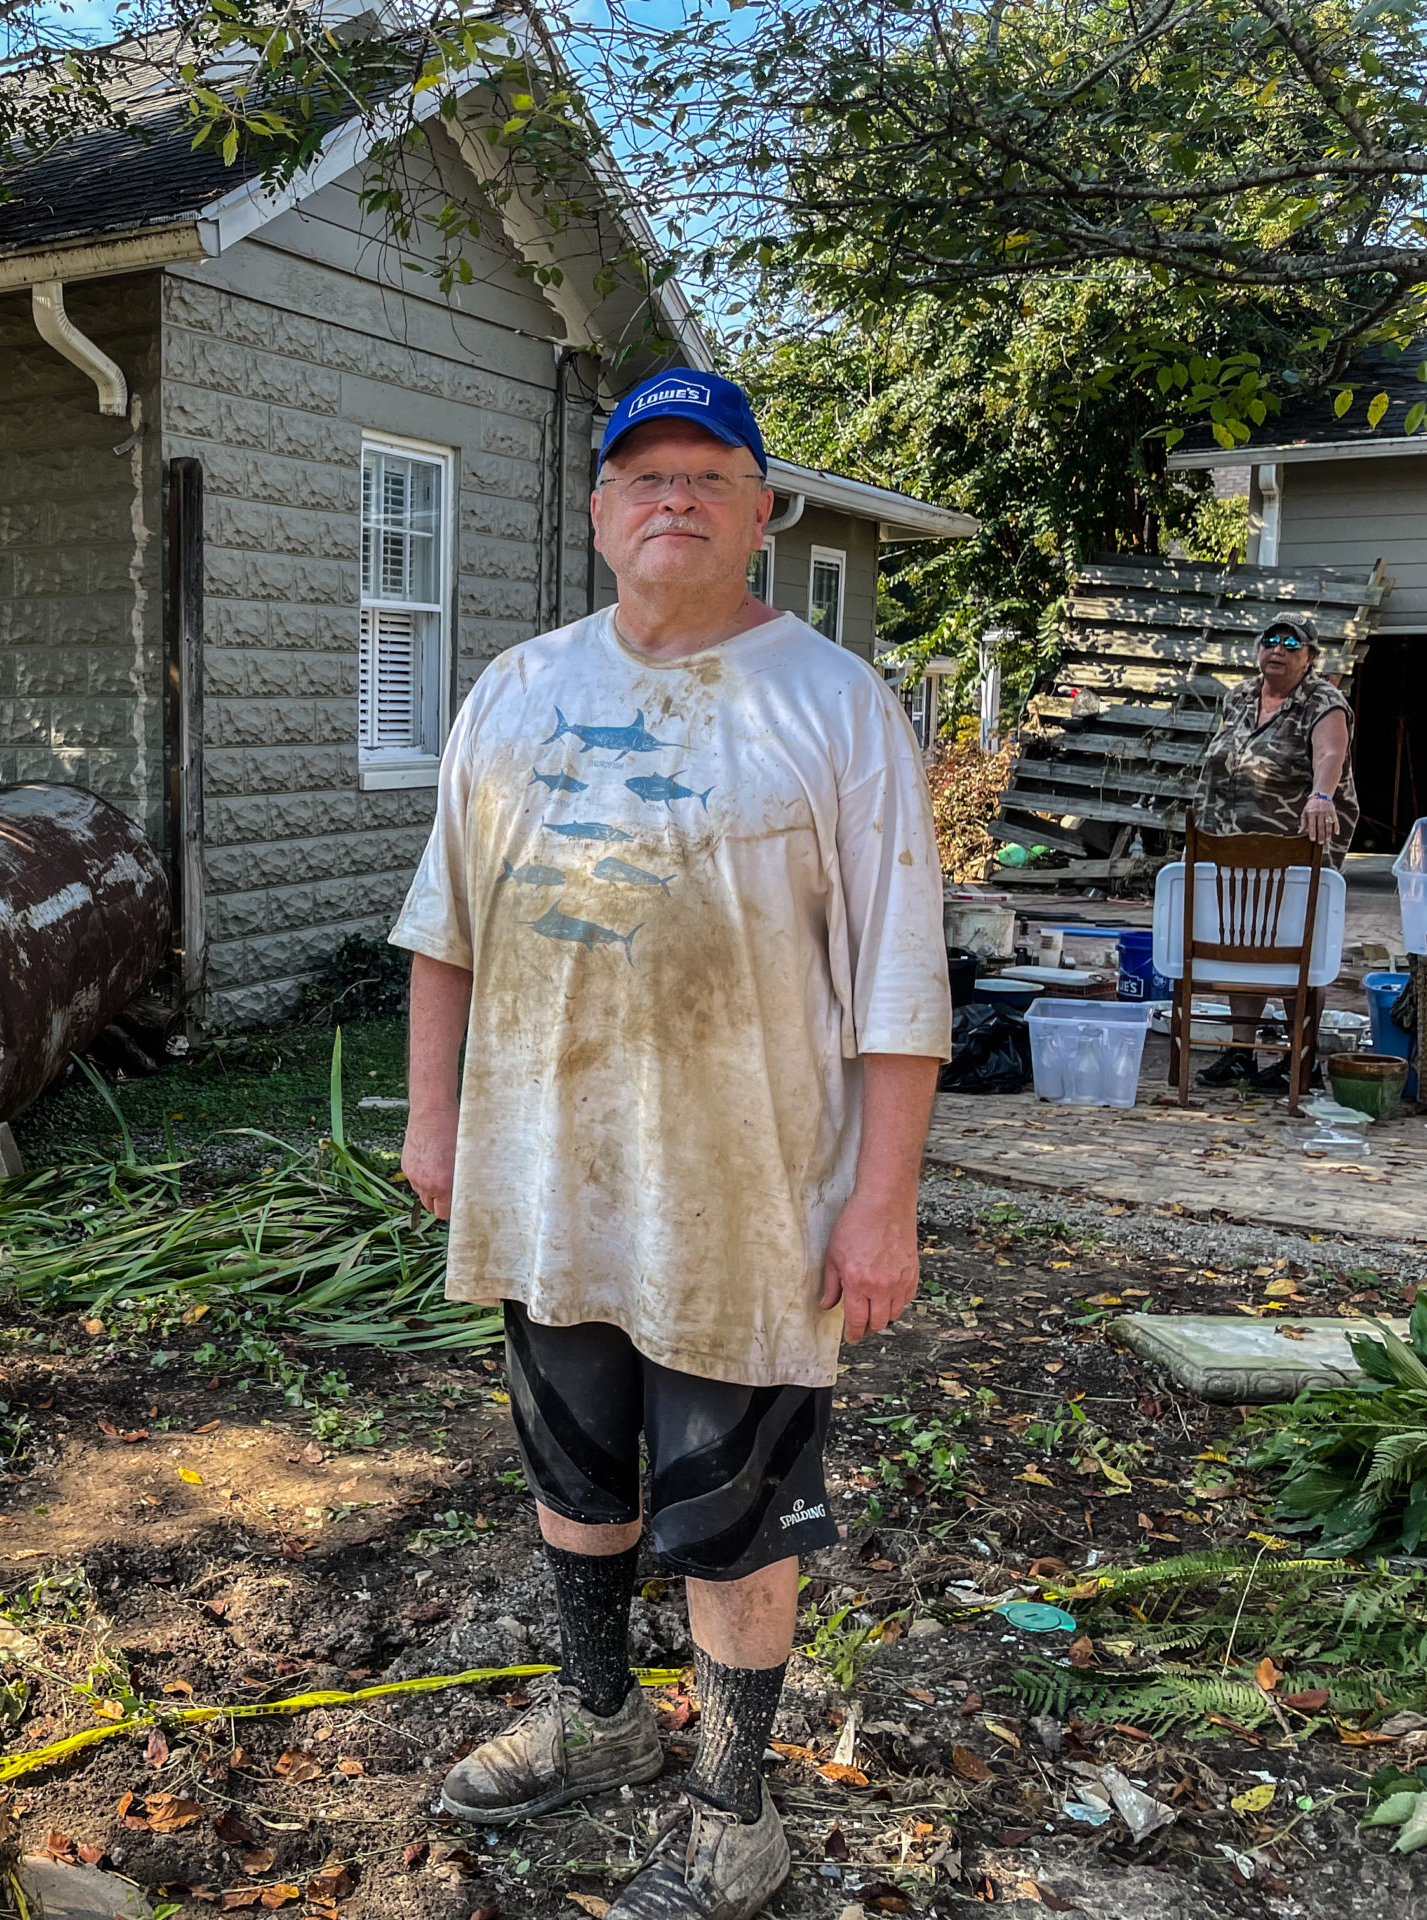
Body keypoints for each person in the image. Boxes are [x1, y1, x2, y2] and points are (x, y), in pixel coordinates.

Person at [388, 368, 950, 1920]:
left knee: (728, 1508)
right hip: (546, 1174)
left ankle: (735, 1807)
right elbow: (447, 930)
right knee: (574, 1468)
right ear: (599, 512)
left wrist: (883, 1204)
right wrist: (435, 1120)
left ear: (763, 509)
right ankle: (599, 1722)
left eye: (710, 474)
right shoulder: (513, 689)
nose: (674, 498)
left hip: (748, 1192)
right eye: (645, 475)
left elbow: (903, 983)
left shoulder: (835, 704)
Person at [1191, 615, 1358, 1093]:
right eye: (1271, 641)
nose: (1278, 649)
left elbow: (1330, 755)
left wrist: (1321, 796)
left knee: (1297, 947)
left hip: (1296, 843)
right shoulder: (1239, 696)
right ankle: (1240, 1053)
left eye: (1291, 643)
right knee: (1243, 941)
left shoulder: (1324, 701)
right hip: (1229, 840)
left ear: (1309, 657)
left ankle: (1298, 1061)